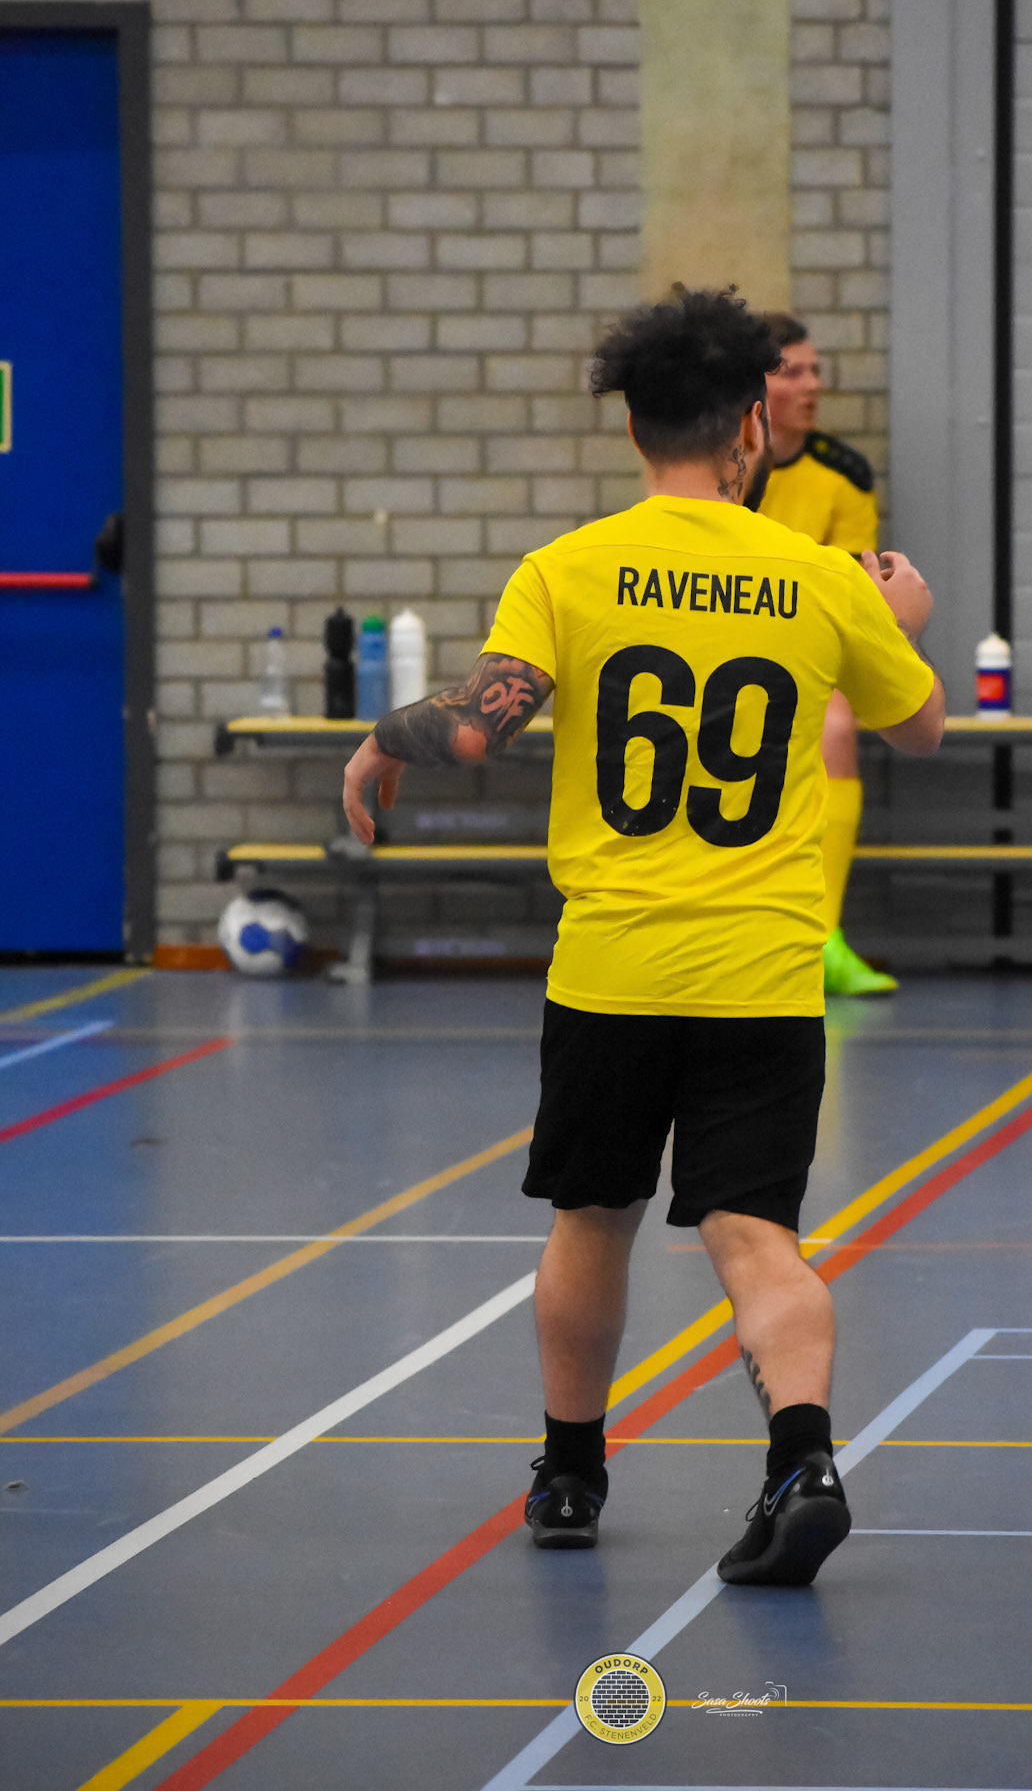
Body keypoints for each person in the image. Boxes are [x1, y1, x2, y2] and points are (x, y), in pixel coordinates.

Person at [342, 287, 944, 1586]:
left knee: (591, 1218)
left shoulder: (566, 569)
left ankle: (569, 1472)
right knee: (755, 1233)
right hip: (763, 969)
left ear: (629, 425)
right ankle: (802, 1462)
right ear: (751, 427)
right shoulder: (818, 574)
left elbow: (473, 726)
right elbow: (922, 726)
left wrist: (379, 739)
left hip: (611, 966)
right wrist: (895, 619)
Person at [759, 313, 894, 997]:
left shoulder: (844, 474)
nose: (812, 385)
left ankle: (822, 938)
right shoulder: (718, 466)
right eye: (794, 372)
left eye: (816, 370)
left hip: (809, 649)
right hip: (722, 644)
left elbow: (849, 589)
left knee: (835, 725)